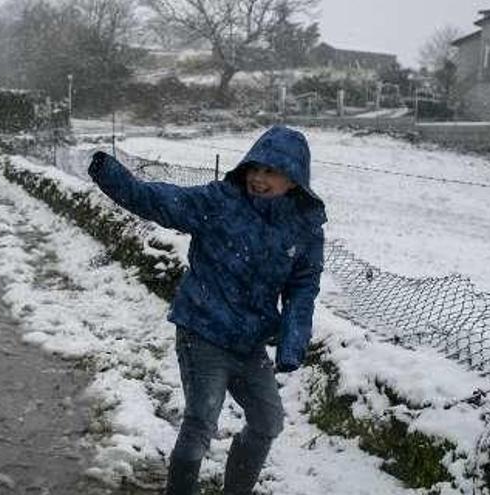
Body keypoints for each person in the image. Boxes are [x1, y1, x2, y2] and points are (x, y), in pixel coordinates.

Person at [88, 125, 326, 495]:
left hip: (249, 343)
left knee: (268, 422)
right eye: (255, 168)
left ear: (294, 180)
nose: (258, 179)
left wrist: (294, 340)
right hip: (202, 331)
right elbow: (161, 200)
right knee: (201, 424)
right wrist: (113, 176)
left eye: (271, 172)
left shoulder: (304, 227)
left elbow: (303, 286)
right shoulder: (220, 203)